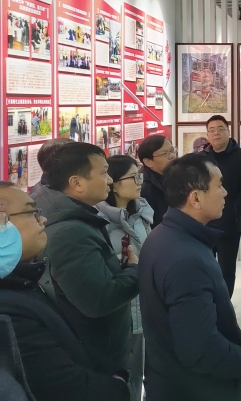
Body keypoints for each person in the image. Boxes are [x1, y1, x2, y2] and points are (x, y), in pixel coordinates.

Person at [0, 183, 130, 401]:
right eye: (32, 212)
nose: (43, 220)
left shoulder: (22, 283)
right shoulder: (8, 310)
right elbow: (61, 386)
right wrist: (118, 385)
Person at [139, 154, 241, 401]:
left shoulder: (163, 236)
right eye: (219, 185)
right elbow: (199, 349)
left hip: (170, 380)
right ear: (196, 198)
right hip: (194, 389)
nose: (225, 193)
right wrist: (239, 359)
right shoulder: (187, 259)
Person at [39, 143, 139, 376]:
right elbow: (99, 300)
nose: (110, 180)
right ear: (77, 183)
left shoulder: (77, 217)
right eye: (103, 173)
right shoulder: (70, 233)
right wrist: (135, 270)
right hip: (95, 358)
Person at [96, 156, 154, 401]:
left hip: (146, 306)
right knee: (126, 377)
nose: (140, 181)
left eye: (140, 175)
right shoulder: (100, 222)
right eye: (133, 176)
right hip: (121, 311)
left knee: (145, 372)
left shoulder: (141, 212)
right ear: (114, 184)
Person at [201, 115, 241, 297]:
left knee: (226, 270)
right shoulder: (201, 159)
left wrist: (233, 211)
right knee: (204, 268)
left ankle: (224, 306)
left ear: (228, 131)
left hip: (230, 225)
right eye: (211, 130)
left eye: (220, 129)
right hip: (204, 225)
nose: (216, 133)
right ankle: (209, 304)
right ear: (207, 135)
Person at [139, 134, 175, 227]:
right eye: (164, 154)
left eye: (171, 150)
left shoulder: (172, 174)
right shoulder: (145, 188)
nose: (172, 156)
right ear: (148, 162)